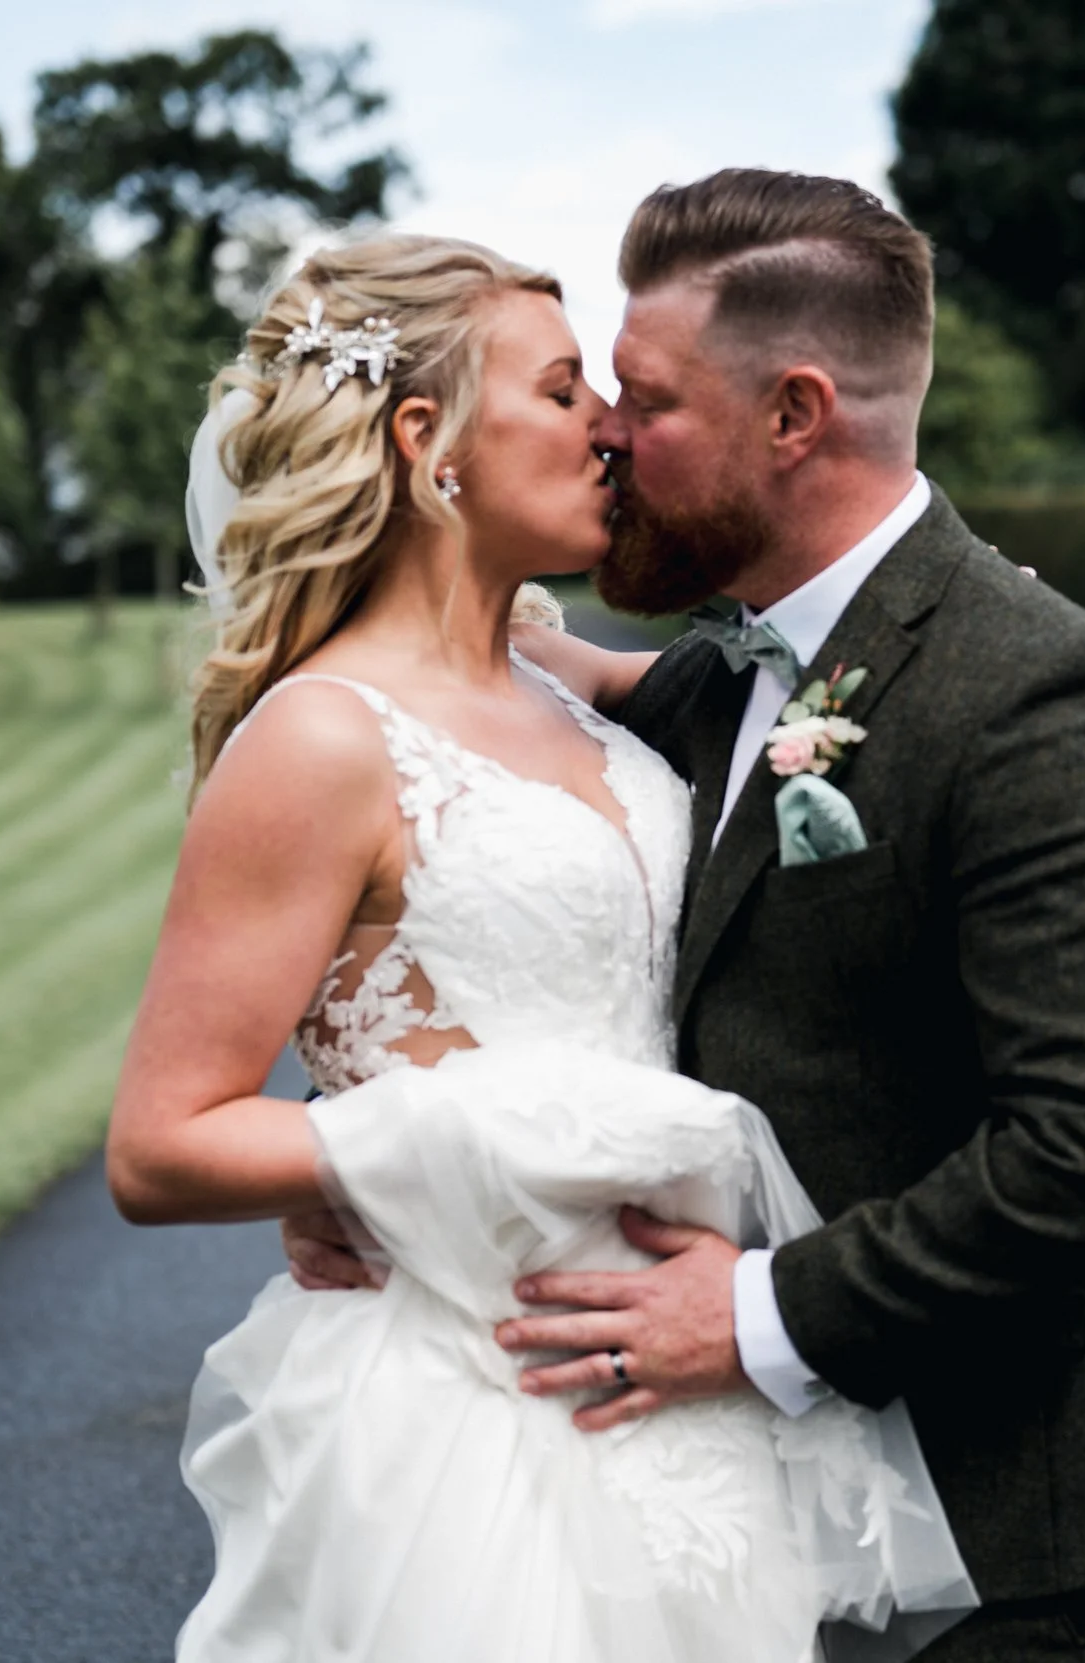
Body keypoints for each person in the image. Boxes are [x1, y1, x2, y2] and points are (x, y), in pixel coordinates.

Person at [289, 169, 1085, 1660]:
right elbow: (470, 746)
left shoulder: (1044, 691)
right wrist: (373, 1133)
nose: (608, 435)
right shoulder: (728, 668)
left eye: (645, 400)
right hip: (776, 1517)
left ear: (795, 415)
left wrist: (757, 1316)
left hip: (1012, 1514)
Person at [106, 231, 974, 1663]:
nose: (609, 433)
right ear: (424, 439)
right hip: (471, 1398)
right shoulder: (320, 739)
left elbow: (846, 711)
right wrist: (396, 1145)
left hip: (686, 1399)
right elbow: (160, 1142)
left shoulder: (571, 686)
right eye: (565, 392)